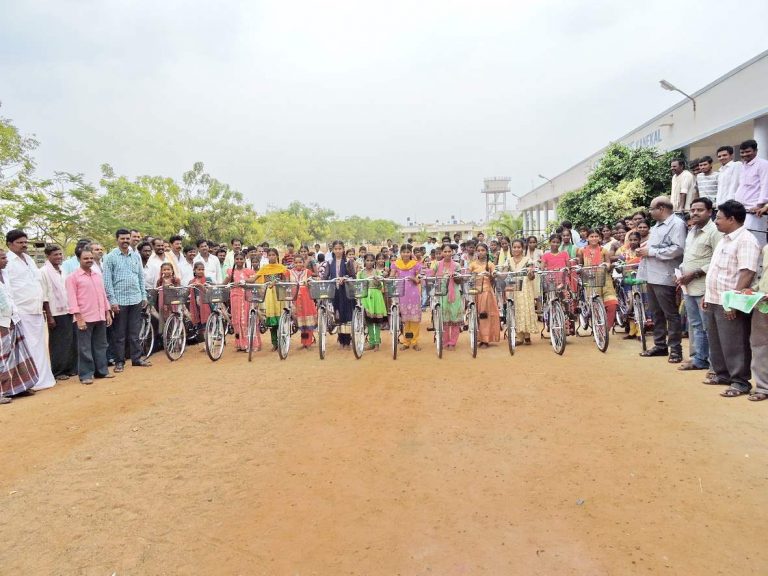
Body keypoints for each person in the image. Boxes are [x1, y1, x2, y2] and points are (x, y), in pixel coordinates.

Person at [702, 200, 760, 397]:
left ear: (732, 219)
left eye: (718, 217)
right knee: (717, 340)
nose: (715, 221)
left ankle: (740, 381)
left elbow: (747, 273)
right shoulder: (724, 239)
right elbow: (716, 270)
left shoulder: (746, 240)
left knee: (735, 342)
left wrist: (733, 302)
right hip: (715, 299)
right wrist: (708, 296)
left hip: (730, 302)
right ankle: (723, 374)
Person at [636, 196, 687, 363]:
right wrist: (646, 248)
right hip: (651, 274)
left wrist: (651, 252)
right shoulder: (658, 226)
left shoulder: (676, 224)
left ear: (662, 208)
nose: (650, 213)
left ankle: (675, 349)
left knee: (670, 313)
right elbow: (657, 245)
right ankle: (660, 345)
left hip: (664, 275)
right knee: (656, 313)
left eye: (652, 209)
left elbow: (678, 249)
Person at [4, 229, 56, 391]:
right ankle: (28, 381)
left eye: (25, 242)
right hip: (20, 311)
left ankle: (43, 379)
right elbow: (7, 288)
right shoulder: (7, 261)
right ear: (9, 244)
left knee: (40, 345)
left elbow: (37, 283)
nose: (24, 245)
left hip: (36, 309)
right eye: (20, 243)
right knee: (26, 347)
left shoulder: (28, 259)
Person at [675, 197, 722, 371]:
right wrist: (680, 273)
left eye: (699, 210)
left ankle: (714, 365)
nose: (694, 213)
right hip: (689, 287)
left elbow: (718, 260)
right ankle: (699, 359)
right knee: (695, 325)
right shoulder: (692, 231)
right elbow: (689, 257)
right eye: (693, 210)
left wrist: (694, 273)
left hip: (705, 287)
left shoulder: (715, 232)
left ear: (710, 212)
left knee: (709, 326)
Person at [103, 228, 151, 372]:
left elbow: (141, 277)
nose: (125, 241)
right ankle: (119, 362)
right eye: (122, 238)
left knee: (135, 332)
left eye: (127, 238)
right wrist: (112, 301)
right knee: (119, 334)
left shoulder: (135, 256)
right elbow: (107, 281)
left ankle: (136, 359)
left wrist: (143, 296)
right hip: (119, 301)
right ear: (117, 239)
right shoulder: (110, 257)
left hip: (136, 299)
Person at [66, 247, 115, 385]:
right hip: (84, 318)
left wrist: (107, 312)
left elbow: (103, 295)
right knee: (85, 348)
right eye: (85, 258)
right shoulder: (72, 278)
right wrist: (79, 318)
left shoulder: (97, 275)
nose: (89, 261)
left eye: (91, 258)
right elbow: (72, 300)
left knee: (101, 345)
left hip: (100, 316)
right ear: (78, 259)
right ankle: (86, 374)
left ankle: (102, 371)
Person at [0, 248, 38, 402]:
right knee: (2, 357)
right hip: (1, 321)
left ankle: (17, 387)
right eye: (3, 258)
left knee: (17, 354)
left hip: (12, 318)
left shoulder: (5, 274)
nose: (6, 260)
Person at [41, 245, 77, 381]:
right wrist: (49, 317)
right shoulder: (43, 272)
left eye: (60, 254)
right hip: (55, 312)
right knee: (58, 343)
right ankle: (57, 371)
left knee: (70, 340)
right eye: (55, 255)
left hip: (68, 309)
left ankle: (69, 368)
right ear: (48, 256)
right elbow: (44, 296)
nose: (59, 257)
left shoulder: (62, 270)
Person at [577, 229, 618, 330]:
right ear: (587, 238)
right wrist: (579, 269)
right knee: (594, 306)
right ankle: (598, 331)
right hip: (590, 280)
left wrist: (607, 265)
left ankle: (606, 330)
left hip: (605, 280)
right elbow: (580, 264)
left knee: (612, 304)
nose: (594, 238)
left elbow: (608, 264)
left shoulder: (604, 250)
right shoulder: (582, 250)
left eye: (596, 236)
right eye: (591, 236)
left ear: (600, 238)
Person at [734, 139, 768, 248]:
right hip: (742, 209)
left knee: (756, 240)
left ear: (756, 151)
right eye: (742, 152)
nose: (745, 155)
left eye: (748, 152)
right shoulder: (743, 166)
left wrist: (760, 205)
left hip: (755, 210)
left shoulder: (763, 164)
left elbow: (765, 185)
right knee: (742, 240)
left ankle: (759, 265)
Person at [322, 241, 355, 349]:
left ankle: (347, 339)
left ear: (343, 249)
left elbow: (353, 277)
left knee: (347, 315)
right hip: (334, 293)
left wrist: (345, 278)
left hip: (345, 293)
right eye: (335, 249)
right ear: (333, 250)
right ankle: (341, 339)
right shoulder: (330, 262)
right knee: (338, 316)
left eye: (340, 248)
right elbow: (326, 276)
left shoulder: (348, 262)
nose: (337, 251)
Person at [254, 248, 288, 351]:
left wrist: (279, 282)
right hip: (269, 295)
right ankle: (274, 343)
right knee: (272, 321)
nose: (272, 257)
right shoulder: (264, 268)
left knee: (281, 319)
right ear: (267, 256)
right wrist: (243, 281)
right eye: (270, 255)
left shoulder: (282, 268)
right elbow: (254, 278)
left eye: (274, 255)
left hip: (279, 295)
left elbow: (286, 281)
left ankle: (282, 341)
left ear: (277, 256)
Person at [390, 244, 422, 351]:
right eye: (404, 252)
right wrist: (388, 277)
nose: (406, 254)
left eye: (408, 252)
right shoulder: (396, 264)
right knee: (405, 319)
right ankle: (406, 342)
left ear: (410, 253)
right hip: (402, 294)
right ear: (400, 253)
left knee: (414, 319)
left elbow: (419, 277)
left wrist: (415, 278)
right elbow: (392, 275)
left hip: (413, 294)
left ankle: (415, 341)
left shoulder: (416, 264)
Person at [430, 244, 462, 350]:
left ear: (452, 252)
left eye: (449, 251)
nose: (447, 254)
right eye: (445, 251)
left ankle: (452, 342)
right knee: (444, 319)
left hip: (454, 294)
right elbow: (431, 276)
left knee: (454, 319)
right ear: (442, 252)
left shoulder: (457, 265)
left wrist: (456, 276)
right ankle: (445, 341)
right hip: (441, 293)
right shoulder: (437, 265)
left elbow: (460, 280)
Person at [467, 243, 500, 347]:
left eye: (483, 250)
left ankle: (485, 339)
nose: (481, 252)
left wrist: (490, 275)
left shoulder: (490, 264)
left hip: (486, 293)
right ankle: (478, 337)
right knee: (475, 315)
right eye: (479, 250)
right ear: (476, 251)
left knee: (484, 315)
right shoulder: (472, 264)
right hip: (475, 292)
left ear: (486, 251)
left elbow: (494, 276)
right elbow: (467, 276)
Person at [747, 244, 768, 401]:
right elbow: (763, 275)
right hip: (762, 303)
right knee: (759, 345)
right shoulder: (766, 248)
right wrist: (753, 289)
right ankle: (763, 387)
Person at [226, 252, 258, 352]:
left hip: (246, 298)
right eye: (237, 259)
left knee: (245, 320)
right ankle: (240, 344)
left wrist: (244, 281)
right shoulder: (230, 272)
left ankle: (250, 344)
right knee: (236, 320)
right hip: (234, 297)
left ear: (244, 260)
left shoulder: (249, 271)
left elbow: (253, 280)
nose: (239, 260)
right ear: (234, 260)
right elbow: (224, 282)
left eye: (241, 259)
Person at [616, 231, 643, 339]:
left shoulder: (642, 252)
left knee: (641, 305)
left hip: (640, 280)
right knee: (630, 305)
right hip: (627, 281)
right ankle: (632, 331)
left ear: (639, 240)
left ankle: (640, 331)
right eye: (630, 240)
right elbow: (619, 267)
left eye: (635, 240)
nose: (633, 242)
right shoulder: (624, 253)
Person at [357, 253, 387, 351]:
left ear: (374, 262)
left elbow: (381, 287)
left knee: (377, 322)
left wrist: (378, 281)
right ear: (364, 261)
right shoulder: (360, 273)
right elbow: (358, 286)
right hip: (365, 298)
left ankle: (377, 342)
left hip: (376, 296)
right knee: (369, 321)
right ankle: (371, 342)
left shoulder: (377, 273)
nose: (369, 262)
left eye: (371, 260)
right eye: (367, 260)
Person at [289, 255, 316, 349]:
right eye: (296, 262)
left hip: (307, 299)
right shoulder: (289, 272)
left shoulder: (307, 272)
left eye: (300, 262)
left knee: (308, 321)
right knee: (301, 321)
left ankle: (308, 342)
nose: (298, 264)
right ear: (293, 263)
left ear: (303, 263)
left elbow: (312, 282)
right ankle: (303, 342)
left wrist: (309, 283)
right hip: (296, 299)